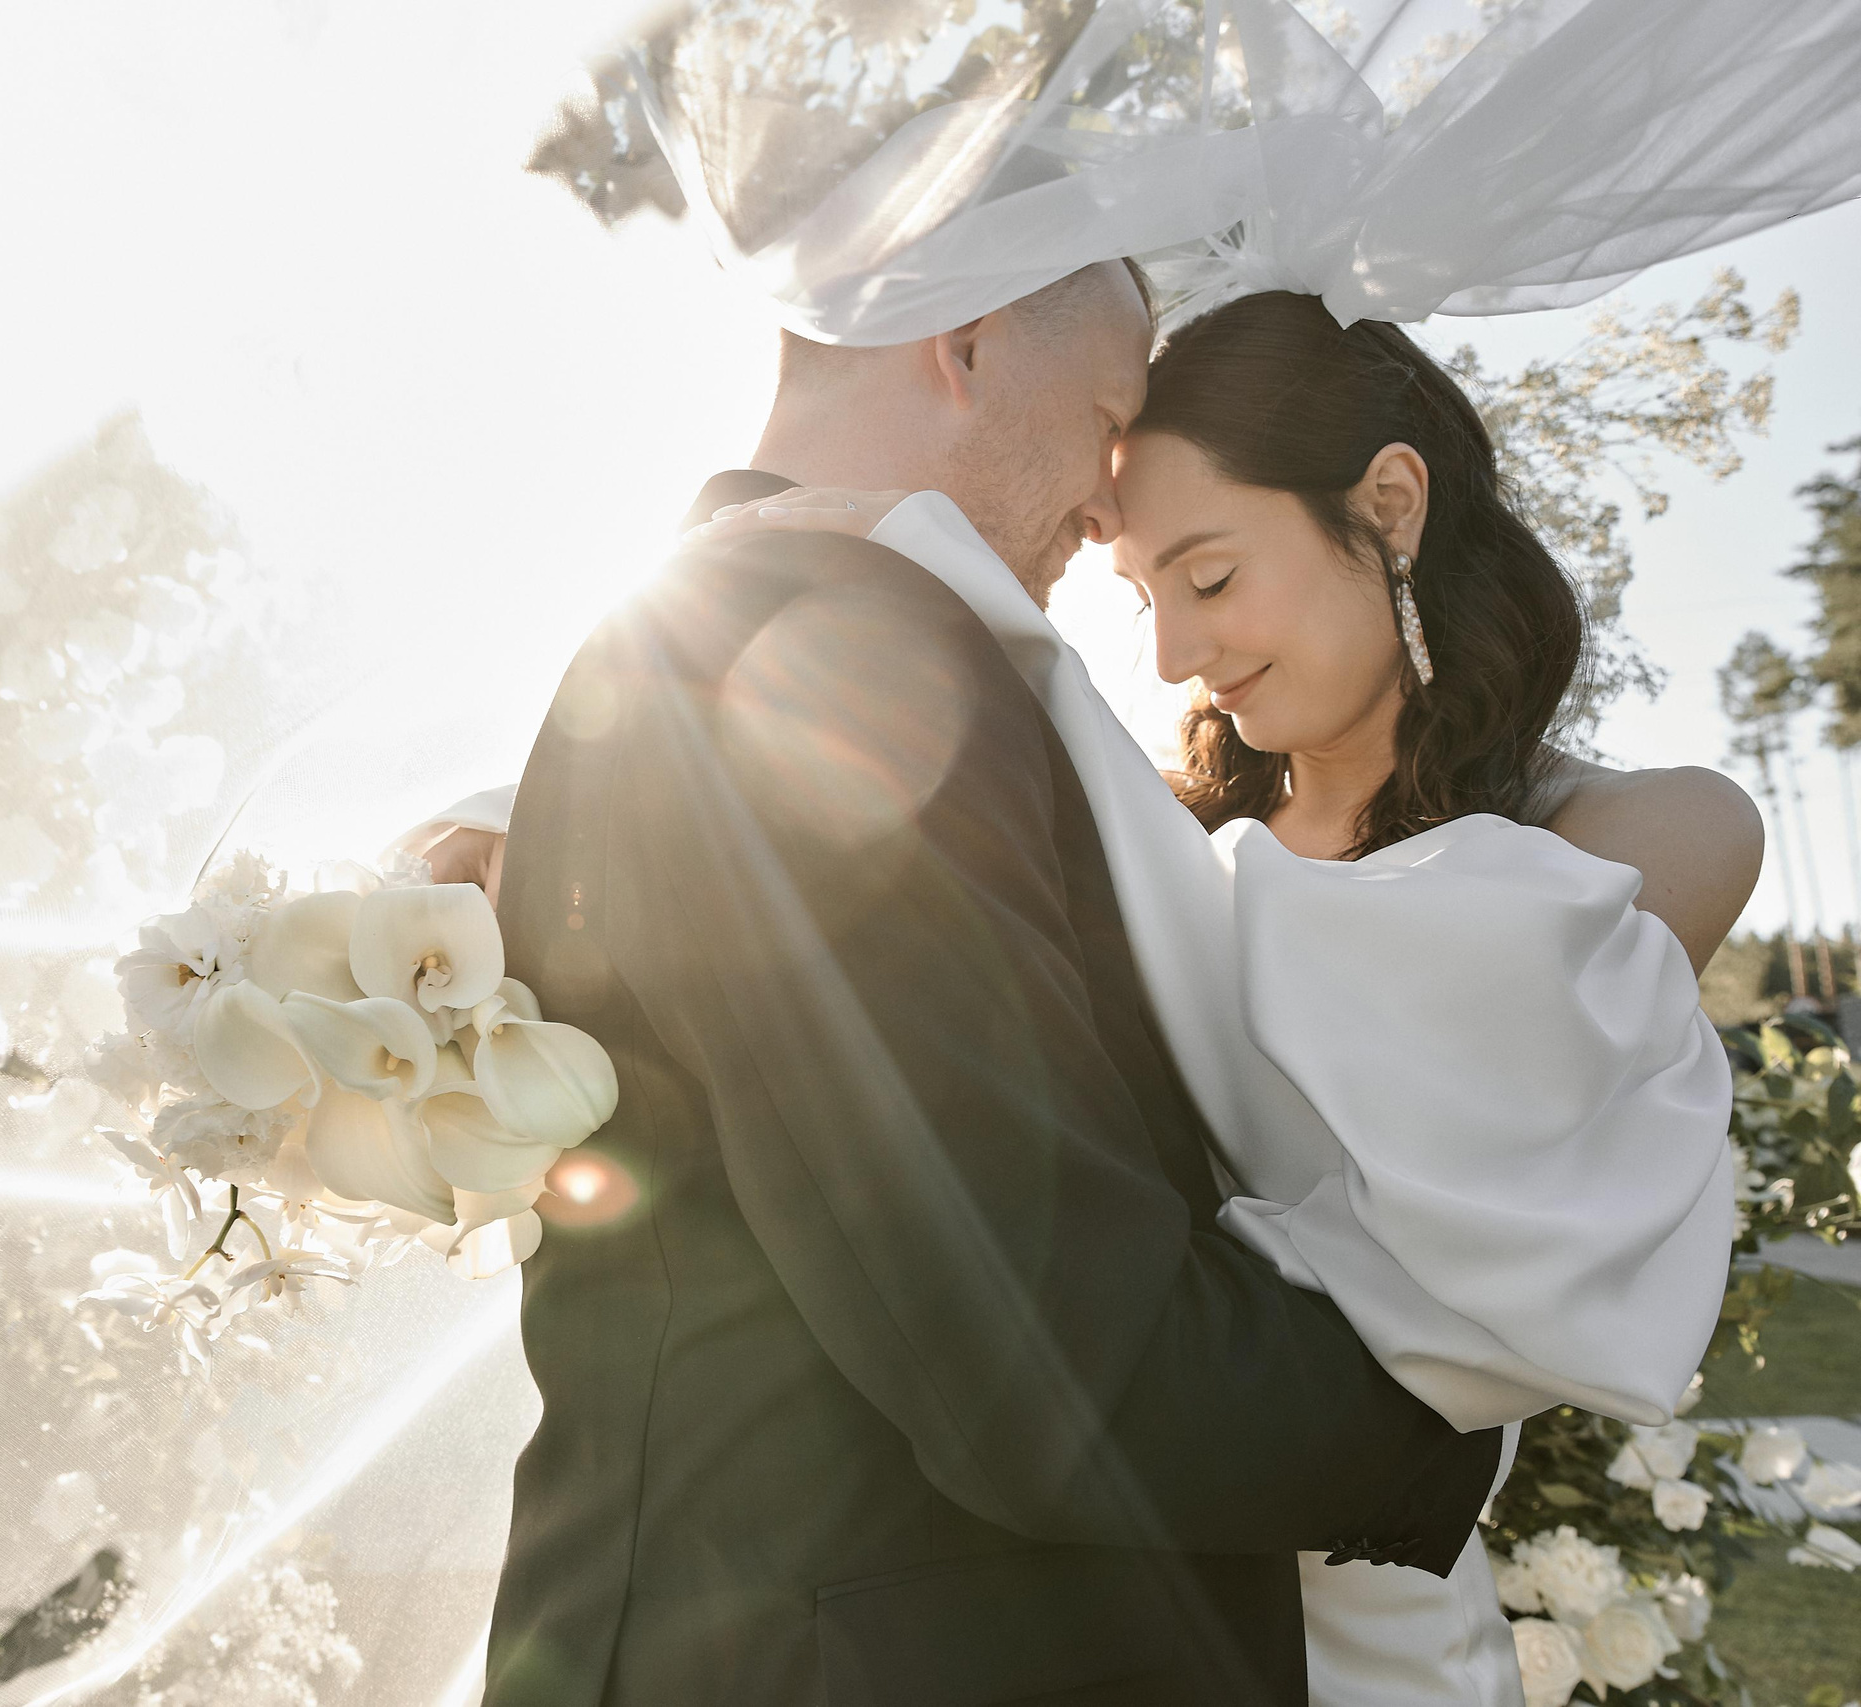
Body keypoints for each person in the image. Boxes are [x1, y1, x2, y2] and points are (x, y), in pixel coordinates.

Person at [469, 260, 1509, 1707]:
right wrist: (1457, 1407)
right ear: (963, 345)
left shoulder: (716, 627)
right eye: (1107, 422)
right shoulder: (840, 652)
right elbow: (1038, 1338)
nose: (1108, 509)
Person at [687, 287, 1748, 1705]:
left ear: (1389, 505)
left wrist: (941, 575)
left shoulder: (1647, 834)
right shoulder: (1152, 833)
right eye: (1142, 602)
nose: (1174, 657)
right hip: (1117, 1611)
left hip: (1379, 1622)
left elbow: (1354, 1034)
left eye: (1210, 577)